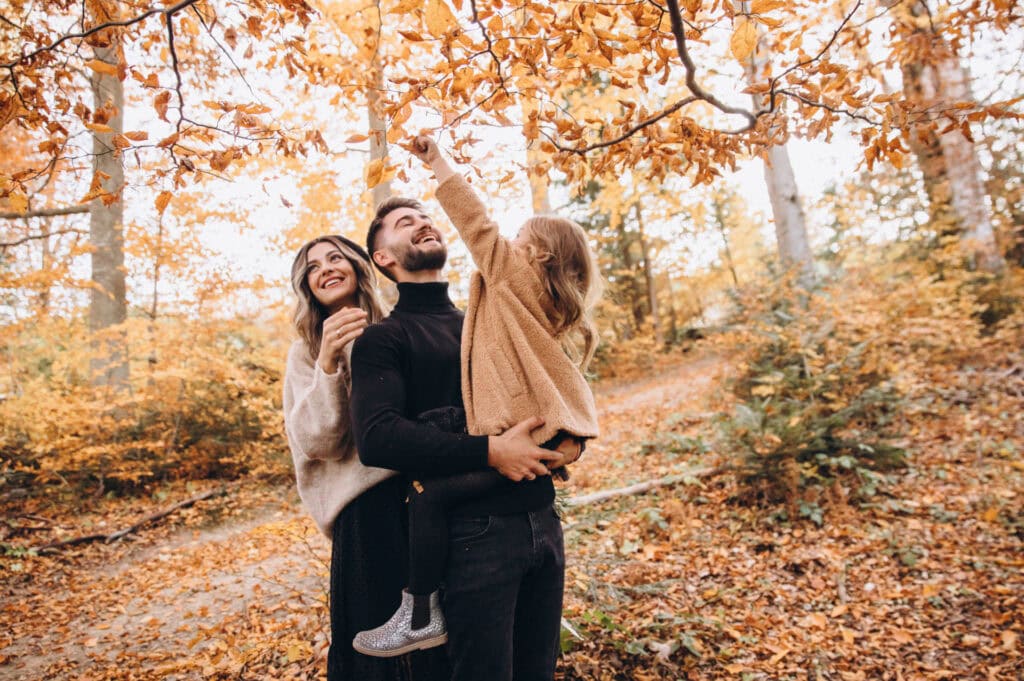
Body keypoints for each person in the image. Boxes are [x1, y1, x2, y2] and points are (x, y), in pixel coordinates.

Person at [349, 138, 600, 681]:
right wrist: (490, 451)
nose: (421, 222)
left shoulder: (490, 316)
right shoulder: (383, 341)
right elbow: (379, 440)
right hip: (472, 538)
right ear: (382, 258)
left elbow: (544, 376)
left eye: (424, 214)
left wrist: (566, 441)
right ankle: (419, 612)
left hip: (542, 523)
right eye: (402, 222)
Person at [282, 235, 448, 681]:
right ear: (307, 286)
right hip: (364, 513)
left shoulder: (397, 327)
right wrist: (330, 362)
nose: (325, 269)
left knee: (437, 636)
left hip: (427, 499)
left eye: (335, 258)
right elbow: (317, 442)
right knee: (372, 646)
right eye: (313, 267)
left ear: (358, 266)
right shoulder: (306, 352)